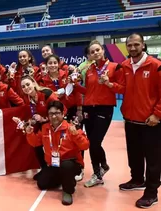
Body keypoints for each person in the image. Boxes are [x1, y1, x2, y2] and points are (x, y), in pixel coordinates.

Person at [116, 33, 161, 209]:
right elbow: (123, 88)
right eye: (129, 45)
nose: (133, 48)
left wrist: (157, 114)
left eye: (136, 44)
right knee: (134, 155)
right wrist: (109, 85)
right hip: (131, 119)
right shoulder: (125, 66)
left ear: (143, 45)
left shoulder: (156, 66)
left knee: (153, 160)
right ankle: (136, 179)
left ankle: (151, 193)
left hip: (151, 122)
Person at [73, 40, 124, 188]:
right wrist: (75, 85)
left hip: (104, 108)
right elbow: (87, 91)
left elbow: (122, 89)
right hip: (89, 108)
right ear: (89, 55)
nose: (95, 53)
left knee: (95, 142)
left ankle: (99, 171)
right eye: (92, 52)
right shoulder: (89, 70)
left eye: (97, 50)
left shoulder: (114, 67)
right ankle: (100, 170)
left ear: (103, 50)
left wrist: (109, 84)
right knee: (91, 142)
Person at [25, 100, 89, 206]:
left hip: (71, 163)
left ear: (63, 114)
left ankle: (68, 191)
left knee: (66, 165)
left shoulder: (71, 128)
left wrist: (76, 135)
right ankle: (64, 179)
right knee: (42, 183)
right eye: (51, 114)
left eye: (57, 113)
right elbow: (35, 143)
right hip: (54, 164)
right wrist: (29, 133)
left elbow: (85, 146)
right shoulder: (45, 128)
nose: (54, 116)